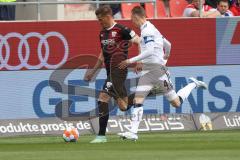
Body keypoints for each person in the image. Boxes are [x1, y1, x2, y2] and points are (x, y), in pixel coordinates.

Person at [118, 6, 208, 140]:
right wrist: (166, 57)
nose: (132, 22)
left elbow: (149, 51)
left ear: (137, 17)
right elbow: (168, 44)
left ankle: (193, 85)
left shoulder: (147, 31)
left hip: (155, 70)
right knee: (145, 100)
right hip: (152, 70)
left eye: (132, 19)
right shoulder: (152, 28)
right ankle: (133, 132)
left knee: (171, 102)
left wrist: (130, 60)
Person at [84, 5, 140, 143]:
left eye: (100, 19)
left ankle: (101, 136)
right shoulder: (102, 33)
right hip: (110, 72)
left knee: (103, 97)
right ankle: (148, 92)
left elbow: (139, 41)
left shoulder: (122, 30)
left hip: (119, 70)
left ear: (108, 16)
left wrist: (139, 61)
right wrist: (93, 71)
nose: (99, 22)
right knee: (123, 106)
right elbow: (103, 54)